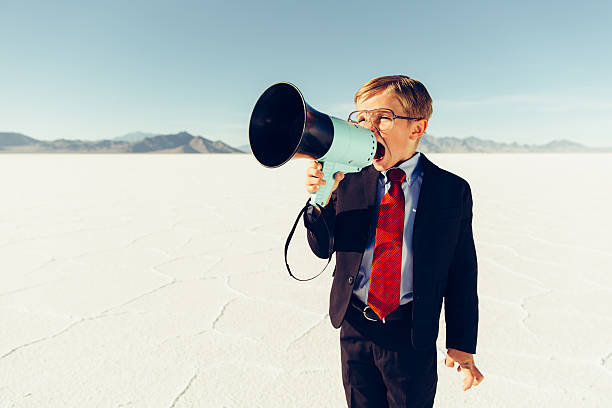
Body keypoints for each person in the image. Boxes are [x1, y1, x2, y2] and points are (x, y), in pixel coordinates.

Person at [303, 75, 484, 407]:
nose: (367, 128)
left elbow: (462, 271)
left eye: (382, 117)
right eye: (360, 118)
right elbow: (322, 248)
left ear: (417, 127)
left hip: (410, 334)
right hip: (355, 326)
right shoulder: (350, 180)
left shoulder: (451, 190)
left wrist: (461, 342)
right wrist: (321, 202)